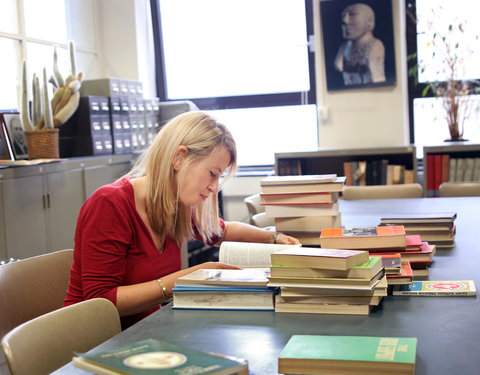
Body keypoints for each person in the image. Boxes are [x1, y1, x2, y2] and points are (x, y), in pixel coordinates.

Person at [64, 111, 300, 329]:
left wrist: (274, 237)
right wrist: (188, 277)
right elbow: (99, 301)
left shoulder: (175, 203)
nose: (214, 187)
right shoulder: (109, 203)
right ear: (179, 158)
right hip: (96, 338)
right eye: (212, 173)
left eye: (220, 176)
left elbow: (222, 231)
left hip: (146, 331)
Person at [333, 3, 386, 86]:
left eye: (352, 15)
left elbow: (376, 78)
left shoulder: (375, 46)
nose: (345, 20)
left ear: (370, 23)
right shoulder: (343, 47)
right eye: (344, 15)